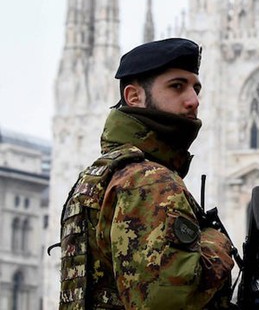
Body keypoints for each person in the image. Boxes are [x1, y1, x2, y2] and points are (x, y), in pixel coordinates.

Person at [57, 38, 235, 309]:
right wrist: (215, 242)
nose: (193, 101)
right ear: (134, 96)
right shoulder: (149, 182)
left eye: (196, 89)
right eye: (177, 86)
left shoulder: (98, 175)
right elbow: (166, 300)